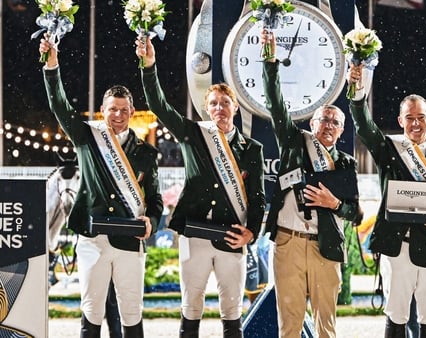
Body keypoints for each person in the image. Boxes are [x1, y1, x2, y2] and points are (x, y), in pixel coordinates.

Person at [136, 38, 266, 338]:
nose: (219, 108)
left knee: (231, 310)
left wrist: (252, 232)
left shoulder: (252, 148)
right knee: (191, 307)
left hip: (232, 235)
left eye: (224, 102)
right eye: (213, 103)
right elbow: (158, 105)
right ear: (206, 109)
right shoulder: (194, 133)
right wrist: (149, 66)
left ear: (235, 107)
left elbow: (257, 197)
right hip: (193, 233)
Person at [40, 39, 164, 337]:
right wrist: (51, 66)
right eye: (112, 110)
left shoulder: (146, 153)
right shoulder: (86, 137)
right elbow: (59, 105)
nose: (118, 116)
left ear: (132, 111)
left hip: (129, 241)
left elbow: (156, 199)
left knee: (132, 313)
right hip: (92, 239)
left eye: (123, 110)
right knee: (91, 312)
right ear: (102, 111)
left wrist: (153, 223)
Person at [346, 64, 426, 338]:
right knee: (397, 316)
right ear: (400, 121)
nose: (415, 123)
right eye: (409, 117)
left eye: (420, 117)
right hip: (396, 247)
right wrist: (357, 90)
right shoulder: (388, 150)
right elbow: (363, 124)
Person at [261, 31, 362, 338]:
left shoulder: (346, 164)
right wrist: (270, 60)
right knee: (289, 325)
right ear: (312, 124)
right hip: (288, 243)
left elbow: (355, 214)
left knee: (326, 327)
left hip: (325, 247)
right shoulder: (294, 142)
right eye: (323, 120)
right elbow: (277, 103)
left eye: (334, 121)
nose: (328, 125)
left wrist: (334, 204)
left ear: (341, 129)